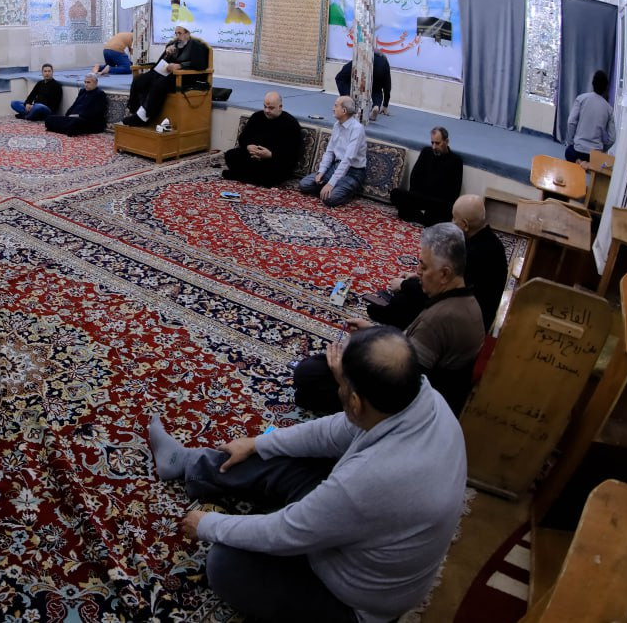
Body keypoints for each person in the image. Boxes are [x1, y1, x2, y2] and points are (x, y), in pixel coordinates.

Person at [148, 326, 466, 623]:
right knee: (282, 451)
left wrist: (209, 525)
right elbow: (334, 432)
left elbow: (286, 532)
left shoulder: (368, 479)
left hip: (353, 603)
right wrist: (257, 443)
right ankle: (187, 462)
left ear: (355, 402)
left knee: (225, 565)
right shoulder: (424, 399)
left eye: (341, 386)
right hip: (363, 528)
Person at [297, 223, 485, 416]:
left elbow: (401, 386)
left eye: (424, 266)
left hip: (411, 404)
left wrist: (342, 377)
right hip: (423, 382)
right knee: (319, 368)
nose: (418, 272)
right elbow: (412, 349)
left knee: (309, 374)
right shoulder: (467, 302)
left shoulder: (438, 319)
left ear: (444, 274)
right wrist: (373, 331)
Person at [366, 194, 508, 335]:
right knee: (411, 290)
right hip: (473, 311)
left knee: (405, 300)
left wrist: (403, 284)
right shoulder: (490, 241)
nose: (451, 222)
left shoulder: (473, 254)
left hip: (467, 323)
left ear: (465, 225)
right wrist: (417, 277)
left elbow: (440, 290)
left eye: (454, 218)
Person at [121, 25, 210, 126]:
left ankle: (143, 117)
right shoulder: (173, 44)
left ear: (187, 34)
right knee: (140, 80)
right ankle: (135, 111)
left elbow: (200, 65)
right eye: (176, 33)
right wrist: (167, 54)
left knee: (158, 84)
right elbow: (160, 62)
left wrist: (180, 65)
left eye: (180, 33)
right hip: (165, 73)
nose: (177, 36)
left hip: (183, 77)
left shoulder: (196, 46)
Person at [222, 92, 302, 187]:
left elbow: (292, 153)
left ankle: (240, 176)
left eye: (271, 108)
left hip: (273, 161)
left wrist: (270, 155)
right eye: (265, 107)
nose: (267, 110)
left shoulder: (290, 124)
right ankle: (254, 179)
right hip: (253, 157)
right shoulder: (257, 117)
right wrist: (248, 146)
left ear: (280, 107)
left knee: (275, 171)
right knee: (230, 155)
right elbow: (243, 138)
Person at [299, 96, 366, 207]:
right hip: (336, 167)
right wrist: (321, 172)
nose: (333, 109)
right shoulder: (336, 125)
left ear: (344, 110)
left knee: (329, 199)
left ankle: (344, 188)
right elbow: (329, 152)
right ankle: (333, 186)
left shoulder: (357, 129)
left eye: (336, 106)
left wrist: (331, 183)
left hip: (353, 172)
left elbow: (348, 159)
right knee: (304, 184)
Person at [390, 127, 464, 225]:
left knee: (445, 211)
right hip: (421, 198)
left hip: (437, 202)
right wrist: (415, 196)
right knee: (395, 193)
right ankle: (424, 218)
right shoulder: (426, 152)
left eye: (437, 143)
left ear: (446, 141)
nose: (434, 147)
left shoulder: (456, 161)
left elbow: (454, 192)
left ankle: (418, 216)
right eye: (432, 143)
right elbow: (414, 177)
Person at [564, 70, 615, 162]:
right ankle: (586, 164)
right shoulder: (609, 109)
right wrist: (602, 149)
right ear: (606, 88)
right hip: (595, 155)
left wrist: (571, 142)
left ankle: (578, 161)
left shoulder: (581, 99)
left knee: (569, 152)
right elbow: (612, 138)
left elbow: (571, 122)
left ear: (592, 83)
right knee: (597, 162)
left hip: (578, 149)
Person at [334, 52, 391, 121]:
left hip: (364, 65)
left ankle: (348, 99)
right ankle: (376, 106)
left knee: (340, 78)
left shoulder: (367, 54)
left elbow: (345, 70)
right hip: (380, 71)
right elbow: (387, 86)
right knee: (376, 89)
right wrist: (385, 105)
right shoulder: (385, 63)